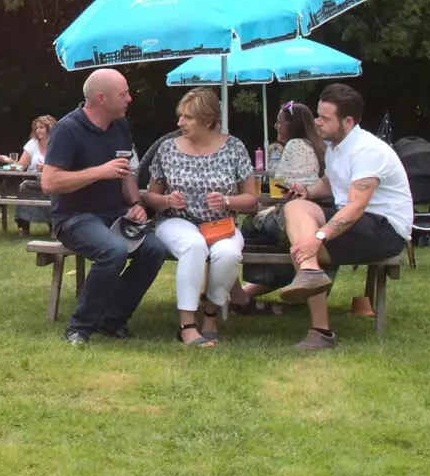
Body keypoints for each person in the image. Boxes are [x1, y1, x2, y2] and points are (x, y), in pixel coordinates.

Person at [280, 84, 414, 350]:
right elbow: (331, 183)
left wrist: (318, 238)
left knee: (305, 240)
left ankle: (321, 331)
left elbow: (355, 207)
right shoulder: (335, 146)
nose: (317, 122)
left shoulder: (368, 150)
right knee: (295, 208)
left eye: (325, 118)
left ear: (348, 121)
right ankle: (309, 272)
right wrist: (306, 191)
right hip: (357, 220)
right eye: (318, 115)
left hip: (384, 229)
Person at [40, 69, 167, 346]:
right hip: (74, 217)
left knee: (155, 249)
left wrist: (136, 203)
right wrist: (98, 172)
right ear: (101, 98)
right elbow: (49, 182)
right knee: (114, 250)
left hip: (113, 214)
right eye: (123, 94)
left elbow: (124, 172)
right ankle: (79, 327)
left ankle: (111, 319)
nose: (130, 99)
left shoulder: (119, 125)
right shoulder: (67, 129)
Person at [142, 87, 258, 347]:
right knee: (193, 245)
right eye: (180, 116)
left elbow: (250, 200)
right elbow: (151, 197)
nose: (180, 123)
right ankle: (187, 325)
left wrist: (227, 201)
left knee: (228, 253)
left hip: (220, 225)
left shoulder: (234, 147)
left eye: (188, 118)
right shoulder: (167, 149)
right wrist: (167, 200)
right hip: (175, 221)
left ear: (208, 120)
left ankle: (210, 315)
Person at [232, 100, 325, 315]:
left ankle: (238, 292)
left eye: (279, 122)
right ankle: (242, 293)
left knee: (247, 227)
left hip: (291, 217)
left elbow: (284, 189)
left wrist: (259, 204)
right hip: (315, 217)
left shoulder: (294, 146)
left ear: (292, 126)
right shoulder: (317, 146)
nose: (276, 126)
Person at [0, 114, 55, 234]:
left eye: (41, 127)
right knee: (24, 189)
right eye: (36, 128)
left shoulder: (58, 143)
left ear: (49, 128)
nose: (38, 130)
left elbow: (65, 166)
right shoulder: (32, 144)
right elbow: (20, 167)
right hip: (33, 180)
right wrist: (8, 161)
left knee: (52, 193)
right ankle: (24, 227)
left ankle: (53, 227)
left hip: (52, 180)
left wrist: (46, 168)